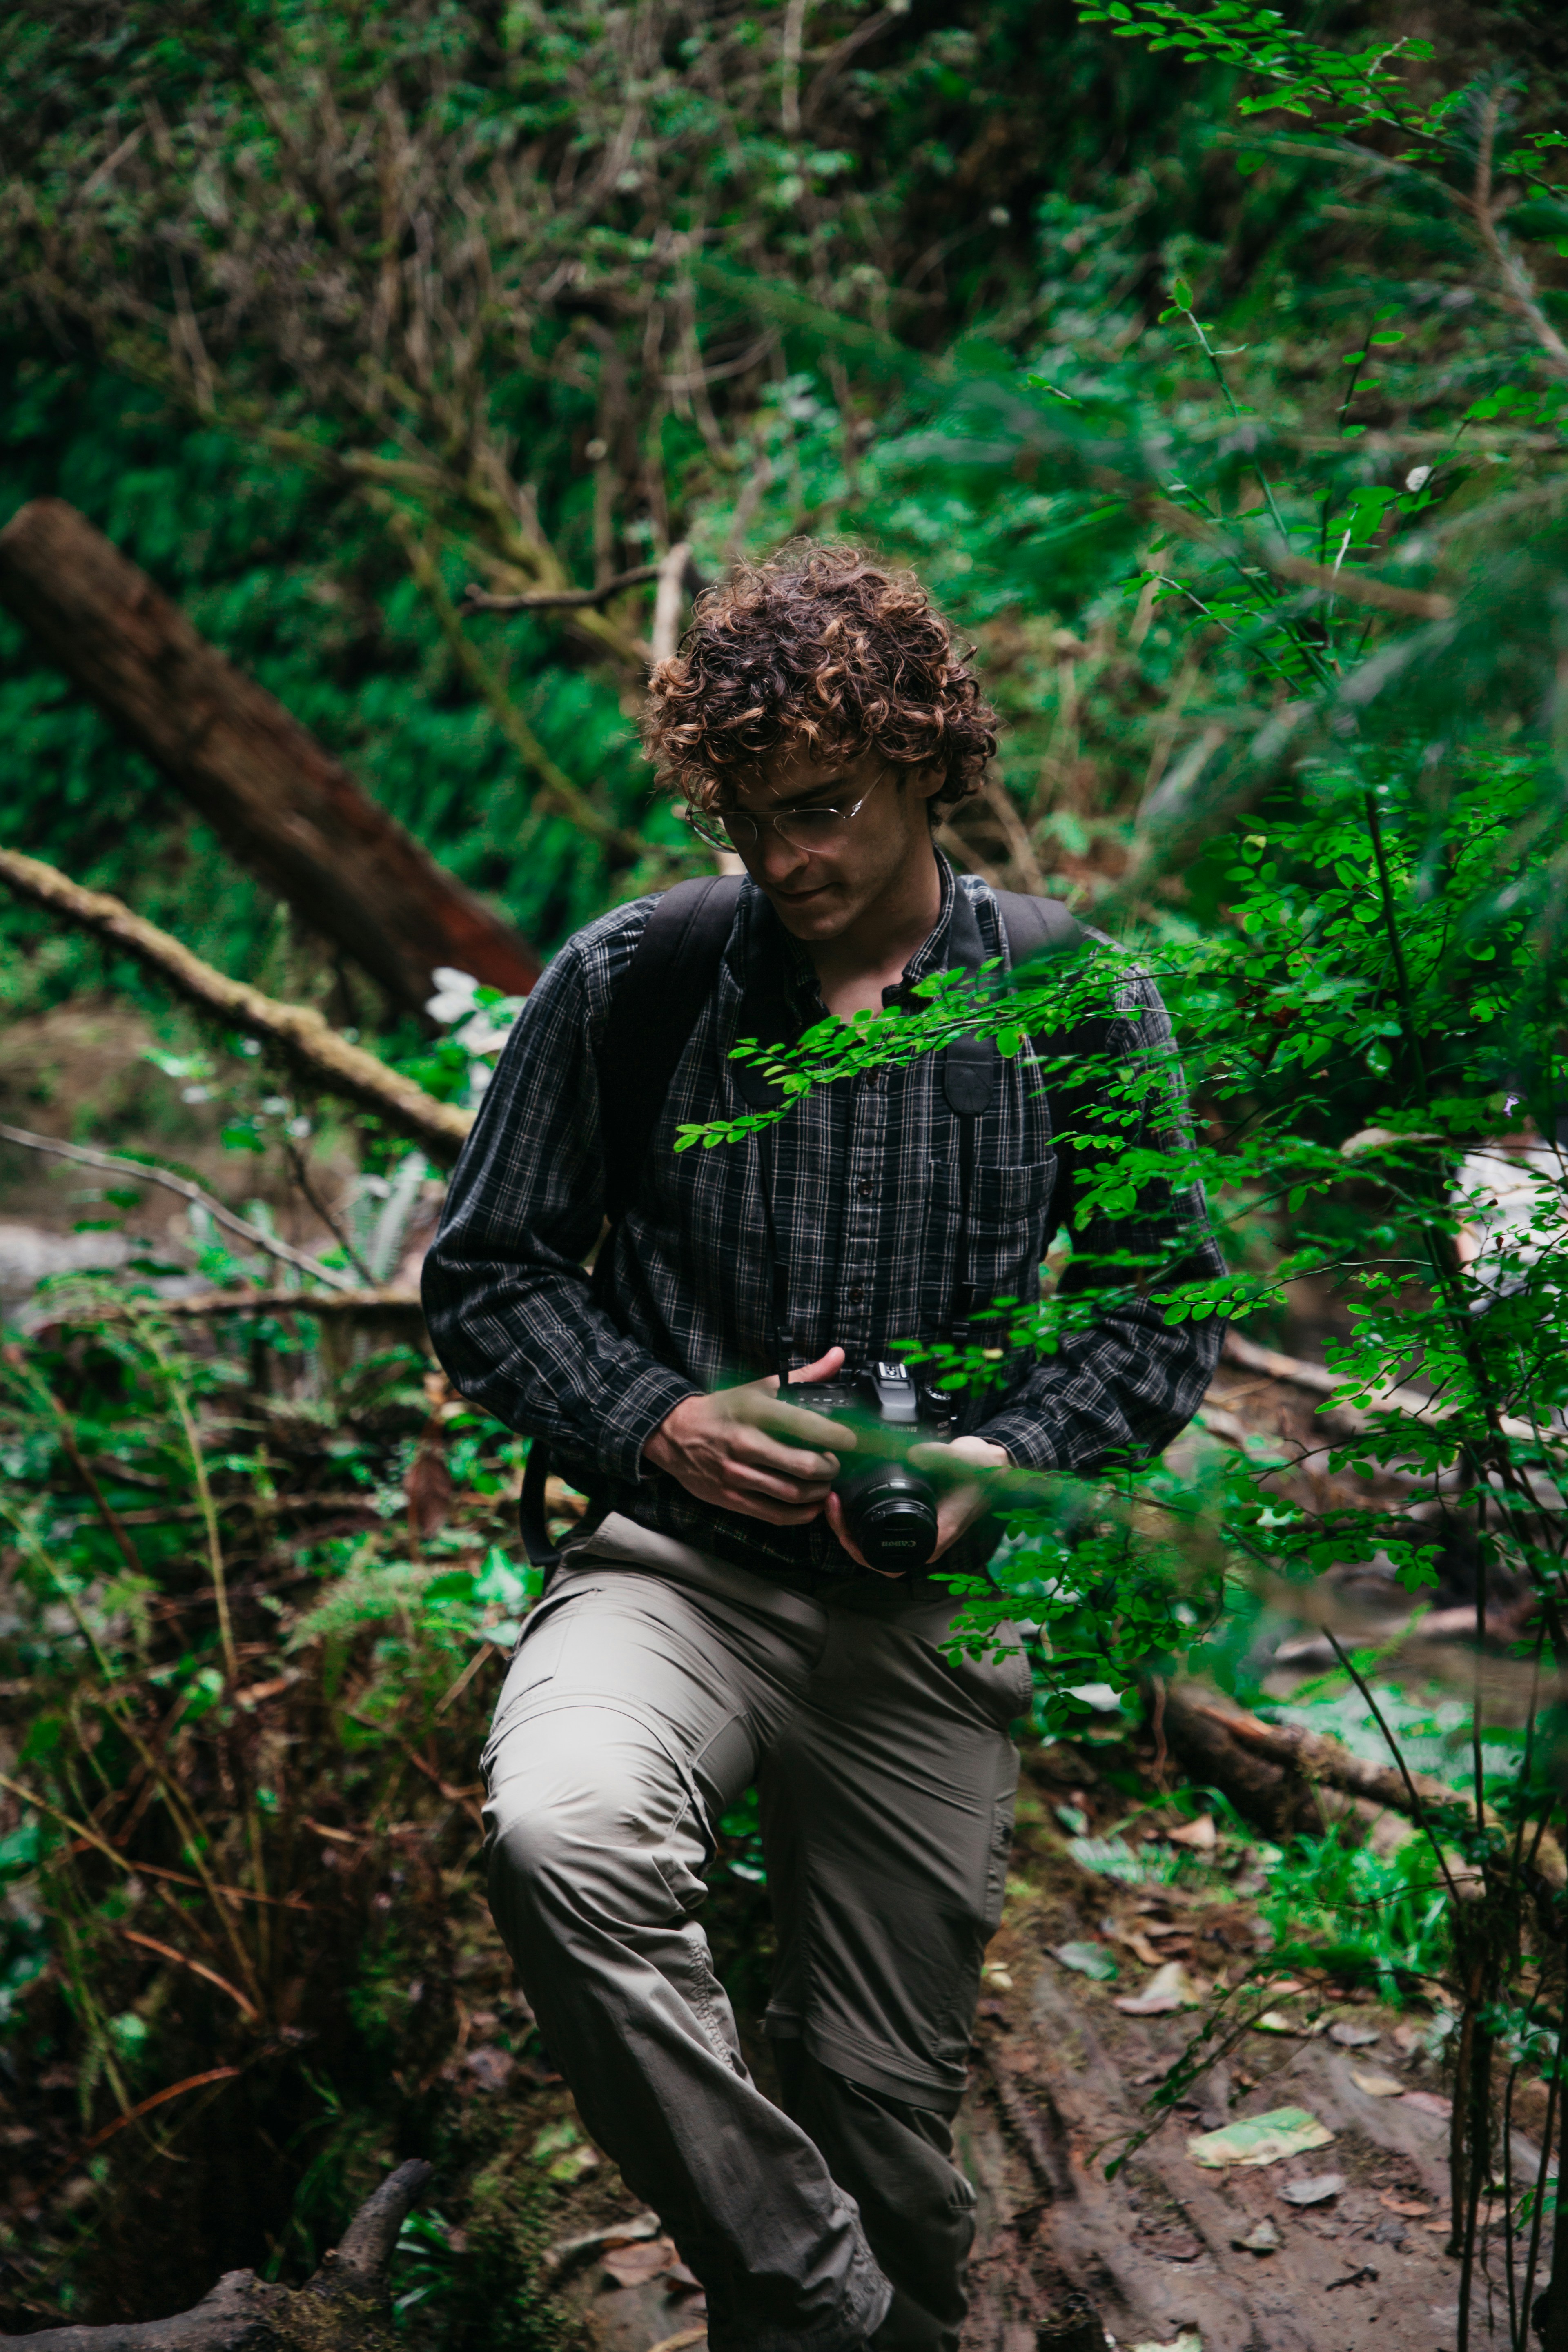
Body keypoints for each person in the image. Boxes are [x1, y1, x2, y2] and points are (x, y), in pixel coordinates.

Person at [421, 543, 1224, 2352]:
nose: (786, 859)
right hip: (671, 1579)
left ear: (933, 760)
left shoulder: (1072, 999)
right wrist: (658, 1421)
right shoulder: (641, 977)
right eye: (750, 815)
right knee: (563, 1833)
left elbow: (1166, 1309)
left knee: (883, 2119)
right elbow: (484, 1272)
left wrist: (996, 1464)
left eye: (827, 810)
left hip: (923, 1631)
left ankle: (867, 2286)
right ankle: (826, 2310)